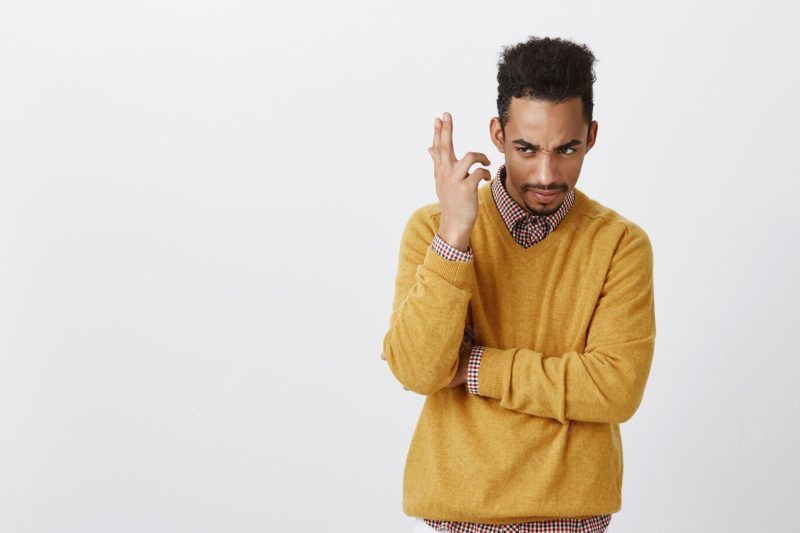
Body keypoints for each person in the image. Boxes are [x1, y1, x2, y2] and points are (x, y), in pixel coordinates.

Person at [380, 36, 656, 533]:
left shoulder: (620, 244)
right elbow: (420, 371)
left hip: (573, 518)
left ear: (591, 136)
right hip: (456, 514)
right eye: (526, 149)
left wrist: (477, 367)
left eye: (567, 149)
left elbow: (615, 389)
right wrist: (455, 234)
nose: (546, 174)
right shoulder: (433, 229)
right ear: (497, 134)